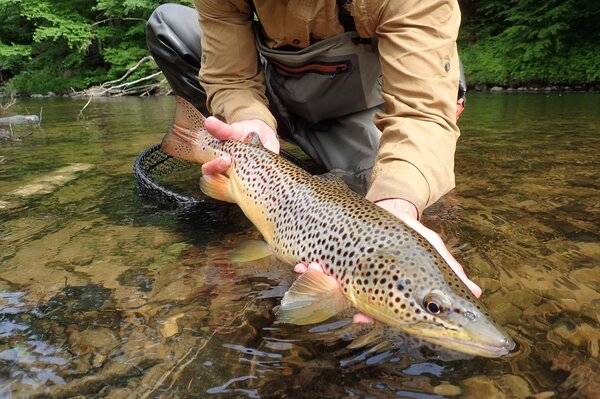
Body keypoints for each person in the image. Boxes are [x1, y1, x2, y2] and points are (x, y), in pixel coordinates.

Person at [145, 1, 481, 298]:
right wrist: (250, 122)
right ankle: (225, 153)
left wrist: (396, 205)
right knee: (171, 26)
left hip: (368, 107)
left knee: (387, 196)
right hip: (274, 93)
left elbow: (420, 112)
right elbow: (231, 79)